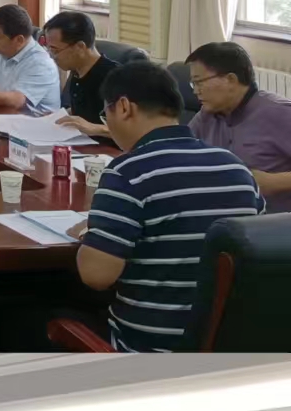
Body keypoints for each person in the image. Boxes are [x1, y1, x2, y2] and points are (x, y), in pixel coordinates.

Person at [77, 62, 263, 353]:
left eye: (106, 114)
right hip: (226, 347)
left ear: (124, 107)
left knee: (31, 318)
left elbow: (96, 276)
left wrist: (93, 235)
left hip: (146, 351)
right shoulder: (236, 168)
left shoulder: (128, 172)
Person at [188, 40, 291, 212]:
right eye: (193, 84)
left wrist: (274, 182)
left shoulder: (280, 113)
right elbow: (180, 152)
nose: (195, 91)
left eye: (199, 82)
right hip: (219, 216)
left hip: (272, 223)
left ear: (230, 79)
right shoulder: (206, 115)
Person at [45, 10, 118, 138]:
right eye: (49, 49)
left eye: (55, 50)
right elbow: (83, 111)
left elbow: (136, 131)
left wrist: (94, 128)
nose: (52, 56)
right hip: (83, 144)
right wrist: (55, 117)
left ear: (79, 47)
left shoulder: (116, 78)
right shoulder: (77, 72)